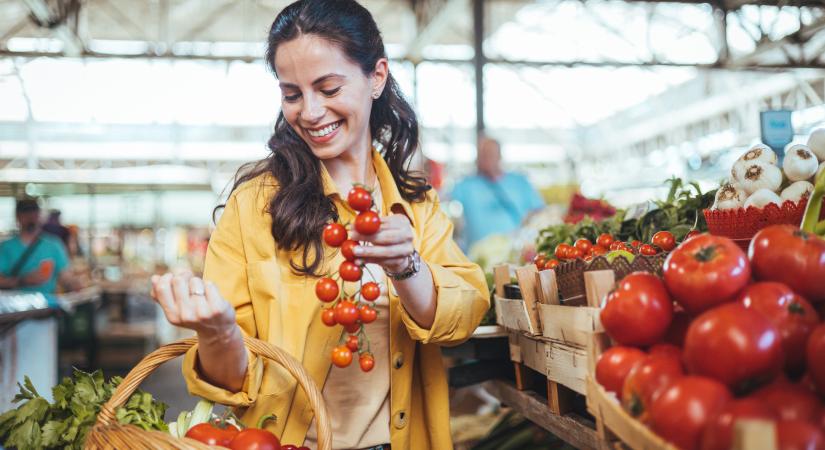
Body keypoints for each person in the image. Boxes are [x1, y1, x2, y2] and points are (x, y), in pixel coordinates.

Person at [149, 1, 489, 449]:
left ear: (377, 78)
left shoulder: (414, 204)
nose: (309, 112)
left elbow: (463, 314)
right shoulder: (254, 207)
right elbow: (232, 380)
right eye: (292, 94)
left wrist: (408, 267)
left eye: (328, 88)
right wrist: (218, 333)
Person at [450, 137, 545, 250]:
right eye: (483, 154)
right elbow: (442, 203)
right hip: (477, 257)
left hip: (515, 252)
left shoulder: (519, 181)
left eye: (490, 154)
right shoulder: (466, 184)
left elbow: (539, 211)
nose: (486, 158)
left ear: (499, 156)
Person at [0, 199, 73, 294]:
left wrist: (74, 284)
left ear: (39, 215)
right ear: (17, 216)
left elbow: (65, 276)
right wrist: (23, 281)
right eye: (25, 212)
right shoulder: (6, 247)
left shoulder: (53, 244)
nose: (30, 217)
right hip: (15, 305)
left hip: (47, 305)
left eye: (34, 212)